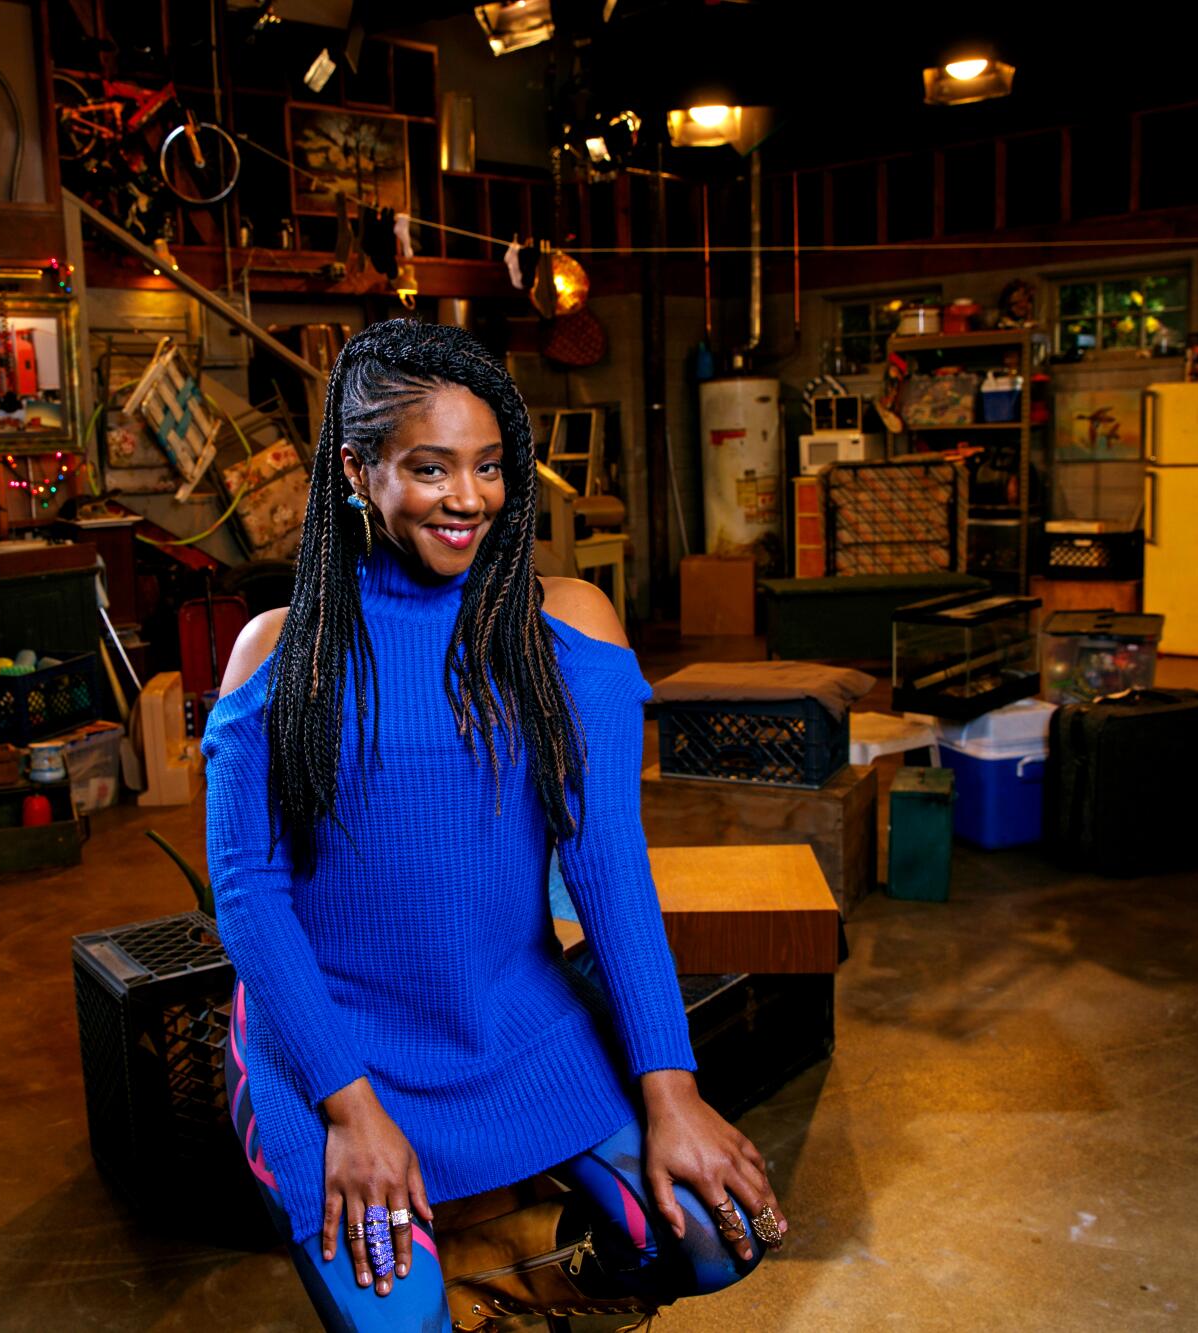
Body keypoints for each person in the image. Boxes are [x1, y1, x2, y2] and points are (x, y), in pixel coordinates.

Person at [200, 321, 787, 1331]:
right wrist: (349, 1107)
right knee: (398, 1323)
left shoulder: (566, 626)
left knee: (703, 1232)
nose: (466, 498)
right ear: (356, 469)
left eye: (487, 467)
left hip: (506, 1016)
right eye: (429, 469)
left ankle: (552, 1295)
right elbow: (247, 896)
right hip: (328, 1038)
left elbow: (608, 869)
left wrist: (671, 1088)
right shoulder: (278, 649)